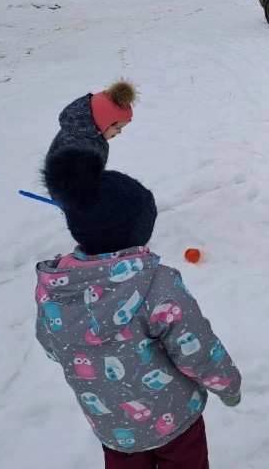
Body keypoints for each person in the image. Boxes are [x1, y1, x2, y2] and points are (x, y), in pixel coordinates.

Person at [35, 142, 241, 468]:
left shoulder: (57, 285)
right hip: (174, 419)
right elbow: (195, 347)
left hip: (111, 423)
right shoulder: (156, 284)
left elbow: (51, 343)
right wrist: (227, 384)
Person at [47, 79, 137, 172]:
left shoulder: (91, 134)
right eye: (118, 127)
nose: (120, 132)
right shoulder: (76, 145)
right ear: (103, 122)